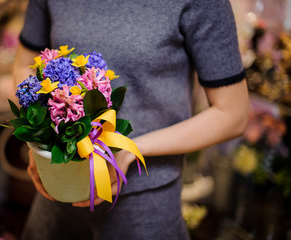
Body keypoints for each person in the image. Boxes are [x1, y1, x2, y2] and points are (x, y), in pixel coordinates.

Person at [13, 0, 249, 239]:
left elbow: (232, 114)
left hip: (146, 206)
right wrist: (37, 141)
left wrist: (127, 151)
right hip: (56, 196)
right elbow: (25, 64)